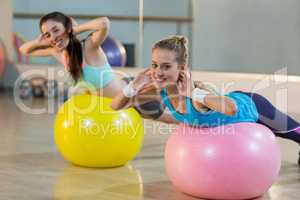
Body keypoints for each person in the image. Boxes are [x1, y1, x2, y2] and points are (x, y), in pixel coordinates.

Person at [111, 35, 300, 165]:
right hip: (235, 124)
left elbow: (231, 109)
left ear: (181, 68)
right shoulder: (158, 91)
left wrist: (193, 93)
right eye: (154, 65)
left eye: (166, 66)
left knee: (293, 133)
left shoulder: (197, 91)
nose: (158, 72)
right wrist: (133, 86)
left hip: (253, 107)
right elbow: (115, 106)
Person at [19, 11, 172, 121]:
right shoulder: (58, 53)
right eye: (47, 34)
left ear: (67, 28)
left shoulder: (90, 46)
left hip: (132, 95)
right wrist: (44, 41)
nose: (53, 36)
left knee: (173, 115)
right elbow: (24, 50)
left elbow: (104, 23)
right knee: (167, 115)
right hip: (115, 103)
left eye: (56, 30)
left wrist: (73, 30)